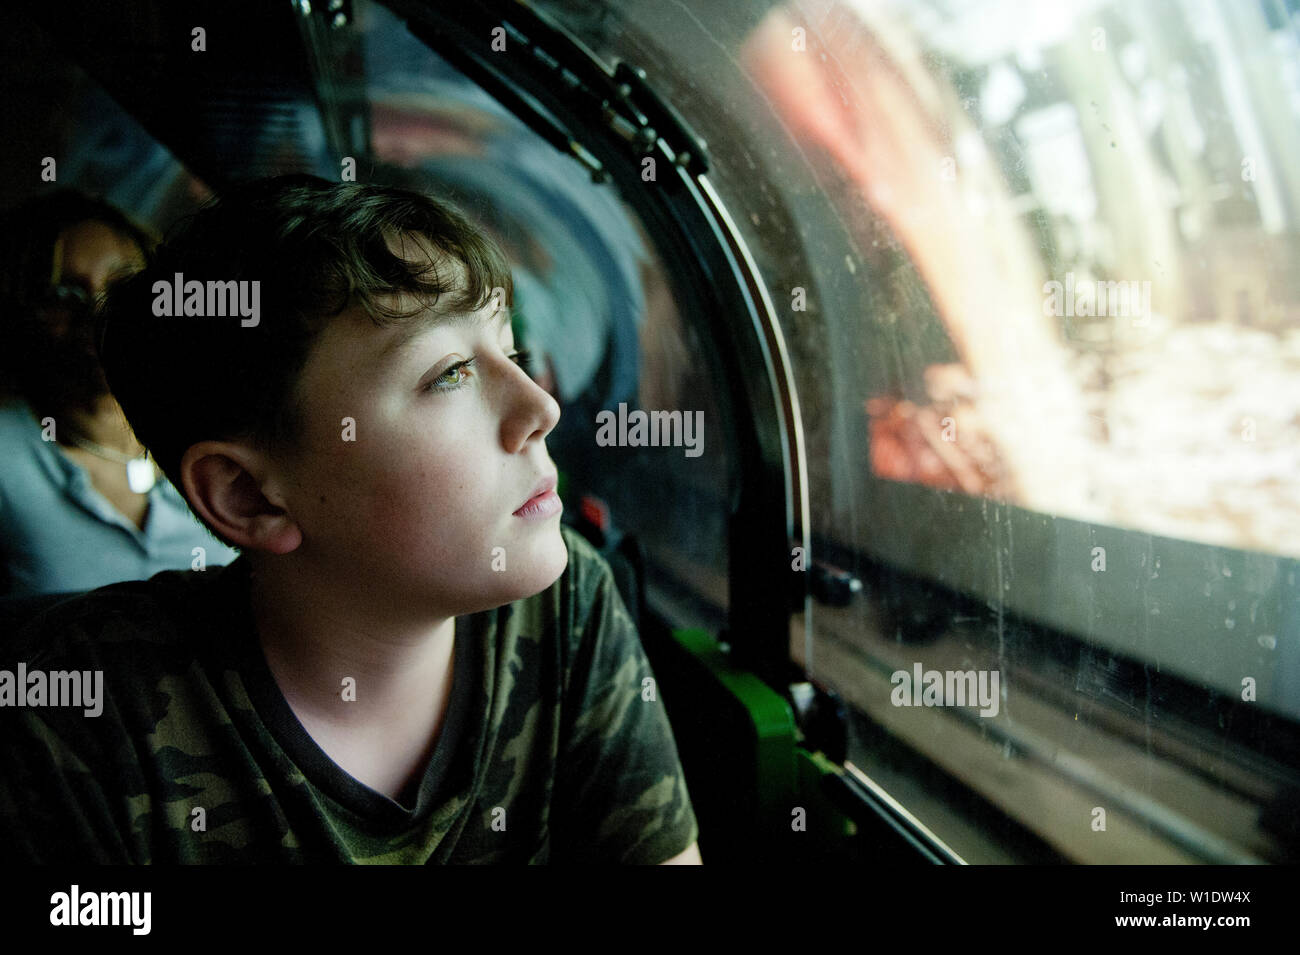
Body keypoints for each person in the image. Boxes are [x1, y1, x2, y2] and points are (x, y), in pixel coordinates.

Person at [0, 175, 701, 864]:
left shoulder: (564, 608)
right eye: (449, 373)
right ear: (248, 495)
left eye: (509, 350)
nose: (541, 408)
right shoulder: (84, 721)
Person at [0, 190, 239, 596]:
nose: (98, 315)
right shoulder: (9, 456)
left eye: (123, 284)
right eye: (62, 295)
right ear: (19, 313)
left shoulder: (223, 427)